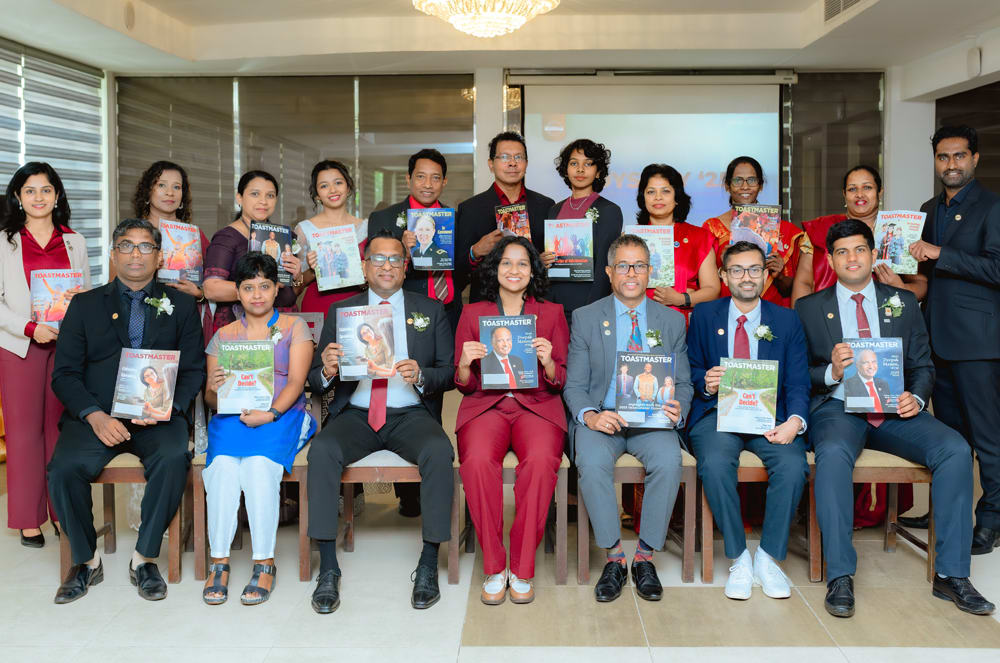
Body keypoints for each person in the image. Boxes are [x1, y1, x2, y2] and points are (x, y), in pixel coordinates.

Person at [795, 218, 994, 618]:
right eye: (841, 251)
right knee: (832, 455)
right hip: (837, 408)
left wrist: (917, 398)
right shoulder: (809, 309)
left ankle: (951, 574)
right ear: (831, 260)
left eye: (859, 249)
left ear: (873, 254)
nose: (851, 258)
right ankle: (840, 575)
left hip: (893, 408)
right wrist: (832, 371)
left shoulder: (901, 301)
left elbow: (923, 366)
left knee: (955, 449)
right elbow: (799, 377)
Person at [47, 218, 206, 604]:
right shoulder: (84, 305)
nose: (136, 254)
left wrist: (169, 408)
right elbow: (64, 374)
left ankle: (144, 558)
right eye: (127, 246)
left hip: (156, 415)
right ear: (114, 254)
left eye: (145, 247)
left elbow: (194, 370)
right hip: (96, 416)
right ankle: (86, 561)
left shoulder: (182, 305)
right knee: (62, 469)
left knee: (173, 457)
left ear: (159, 256)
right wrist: (93, 415)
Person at [306, 229, 455, 614]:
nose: (386, 266)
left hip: (410, 413)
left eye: (395, 260)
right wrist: (327, 368)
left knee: (440, 451)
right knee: (322, 451)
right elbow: (314, 379)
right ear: (364, 266)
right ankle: (329, 566)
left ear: (405, 268)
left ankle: (427, 562)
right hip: (356, 413)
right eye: (378, 259)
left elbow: (449, 374)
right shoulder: (341, 311)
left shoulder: (431, 309)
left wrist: (420, 374)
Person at [563, 233, 692, 603]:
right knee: (589, 460)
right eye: (623, 265)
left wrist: (678, 405)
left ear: (650, 271)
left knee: (669, 461)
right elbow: (574, 385)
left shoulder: (672, 321)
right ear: (609, 271)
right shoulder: (587, 318)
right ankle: (615, 558)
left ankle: (645, 557)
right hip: (603, 418)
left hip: (651, 421)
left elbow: (683, 382)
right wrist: (589, 416)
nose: (631, 273)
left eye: (639, 265)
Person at [686, 241, 810, 601]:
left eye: (755, 269)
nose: (746, 277)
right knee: (714, 463)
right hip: (717, 414)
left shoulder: (786, 319)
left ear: (766, 274)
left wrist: (796, 421)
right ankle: (739, 557)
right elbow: (691, 366)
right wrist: (704, 383)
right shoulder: (705, 315)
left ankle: (769, 557)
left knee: (792, 466)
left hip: (769, 415)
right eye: (737, 270)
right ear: (723, 275)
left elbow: (799, 380)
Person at [901, 125, 1000, 554]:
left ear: (975, 159)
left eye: (959, 156)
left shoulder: (992, 207)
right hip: (936, 341)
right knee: (951, 440)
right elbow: (923, 276)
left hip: (978, 344)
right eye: (943, 157)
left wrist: (943, 253)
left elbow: (997, 269)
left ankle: (992, 520)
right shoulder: (926, 208)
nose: (951, 165)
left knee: (988, 439)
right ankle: (948, 511)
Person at [454, 235, 568, 605]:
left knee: (539, 462)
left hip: (537, 406)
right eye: (506, 262)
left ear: (533, 269)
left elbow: (561, 378)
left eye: (522, 263)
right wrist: (464, 363)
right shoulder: (473, 314)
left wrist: (549, 360)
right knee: (476, 463)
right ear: (495, 268)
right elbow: (463, 386)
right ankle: (494, 564)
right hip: (486, 405)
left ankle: (521, 567)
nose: (514, 270)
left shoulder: (551, 314)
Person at [201, 252, 316, 606]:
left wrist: (270, 413)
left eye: (264, 286)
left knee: (256, 467)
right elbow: (208, 395)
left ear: (276, 288)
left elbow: (296, 382)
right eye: (248, 287)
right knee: (220, 469)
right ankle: (219, 561)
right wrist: (218, 389)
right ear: (237, 292)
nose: (257, 295)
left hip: (282, 415)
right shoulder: (224, 335)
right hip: (232, 418)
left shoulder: (294, 327)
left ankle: (264, 562)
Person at [0, 162, 91, 548]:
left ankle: (61, 511)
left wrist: (76, 303)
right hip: (19, 345)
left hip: (65, 346)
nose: (39, 197)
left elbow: (86, 296)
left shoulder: (76, 242)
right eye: (30, 190)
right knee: (23, 434)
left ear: (57, 195)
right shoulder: (4, 241)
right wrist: (30, 328)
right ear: (18, 198)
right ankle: (28, 517)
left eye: (46, 190)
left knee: (60, 431)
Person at [791, 165, 925, 305]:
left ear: (879, 192)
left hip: (885, 317)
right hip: (828, 316)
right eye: (852, 189)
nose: (859, 194)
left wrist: (901, 289)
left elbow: (921, 284)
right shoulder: (820, 228)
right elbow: (803, 282)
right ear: (844, 194)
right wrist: (801, 321)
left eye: (867, 187)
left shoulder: (900, 230)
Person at [368, 149, 461, 333]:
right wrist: (403, 253)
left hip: (452, 312)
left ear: (444, 182)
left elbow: (463, 268)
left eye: (435, 178)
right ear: (408, 179)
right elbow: (375, 274)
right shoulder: (383, 218)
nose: (428, 184)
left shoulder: (457, 219)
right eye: (420, 177)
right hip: (406, 313)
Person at [456, 132, 554, 305]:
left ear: (526, 163)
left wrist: (546, 260)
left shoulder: (545, 205)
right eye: (504, 157)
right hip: (488, 303)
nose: (512, 163)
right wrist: (475, 251)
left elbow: (554, 261)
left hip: (536, 301)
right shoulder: (470, 209)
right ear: (491, 164)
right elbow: (458, 272)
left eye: (519, 157)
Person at [205, 171, 303, 335]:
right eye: (255, 194)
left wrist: (297, 277)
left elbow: (291, 291)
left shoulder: (285, 237)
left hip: (284, 325)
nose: (263, 201)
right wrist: (261, 288)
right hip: (240, 328)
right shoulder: (227, 237)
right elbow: (211, 289)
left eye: (270, 195)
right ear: (239, 198)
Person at [703, 156, 805, 307]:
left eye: (752, 180)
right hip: (727, 311)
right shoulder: (712, 228)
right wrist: (723, 265)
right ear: (727, 185)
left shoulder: (785, 230)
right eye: (738, 180)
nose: (745, 186)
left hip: (772, 311)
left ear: (760, 185)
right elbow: (705, 286)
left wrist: (780, 275)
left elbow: (793, 290)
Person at [545, 139, 624, 328]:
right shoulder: (554, 210)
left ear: (598, 172)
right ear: (566, 170)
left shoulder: (609, 210)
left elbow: (605, 264)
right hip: (553, 302)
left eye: (588, 164)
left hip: (588, 302)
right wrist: (543, 260)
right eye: (574, 163)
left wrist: (593, 309)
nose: (580, 170)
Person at [635, 164, 720, 324]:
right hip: (640, 321)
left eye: (666, 191)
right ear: (643, 197)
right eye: (651, 191)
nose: (657, 197)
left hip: (686, 323)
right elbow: (618, 287)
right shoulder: (630, 237)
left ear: (677, 198)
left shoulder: (700, 237)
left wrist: (681, 298)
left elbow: (713, 290)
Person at [294, 159, 367, 316]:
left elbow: (374, 281)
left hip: (358, 307)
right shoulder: (304, 230)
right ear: (317, 195)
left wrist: (365, 277)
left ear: (348, 187)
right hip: (318, 306)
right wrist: (313, 272)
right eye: (324, 186)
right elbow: (296, 286)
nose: (332, 190)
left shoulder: (365, 228)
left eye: (338, 183)